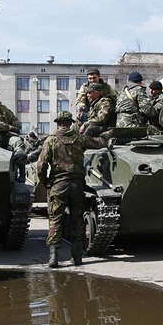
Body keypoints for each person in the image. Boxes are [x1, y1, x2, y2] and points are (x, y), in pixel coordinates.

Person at [36, 111, 112, 267]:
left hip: (58, 185)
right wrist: (107, 134)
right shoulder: (80, 138)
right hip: (77, 185)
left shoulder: (50, 140)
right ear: (70, 123)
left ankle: (53, 257)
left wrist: (46, 182)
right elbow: (99, 143)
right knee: (77, 220)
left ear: (58, 123)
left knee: (55, 220)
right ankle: (77, 257)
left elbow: (41, 165)